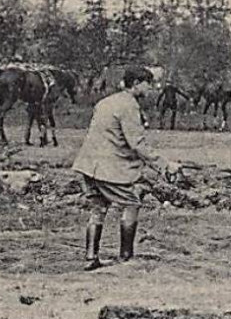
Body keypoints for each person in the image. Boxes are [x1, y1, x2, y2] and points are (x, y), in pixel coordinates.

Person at [72, 66, 177, 269]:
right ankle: (126, 257)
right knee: (132, 203)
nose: (151, 88)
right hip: (108, 167)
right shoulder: (129, 106)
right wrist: (165, 165)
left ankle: (91, 258)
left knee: (99, 207)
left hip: (88, 164)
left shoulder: (106, 102)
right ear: (136, 83)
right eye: (148, 84)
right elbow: (137, 143)